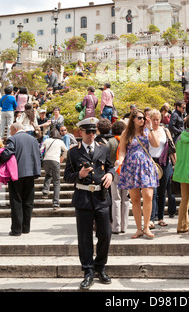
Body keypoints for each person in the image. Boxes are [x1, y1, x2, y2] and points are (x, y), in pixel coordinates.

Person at [64, 117, 114, 290]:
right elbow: (67, 176)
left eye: (94, 131)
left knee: (106, 234)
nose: (92, 134)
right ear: (80, 133)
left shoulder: (103, 149)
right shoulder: (73, 152)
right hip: (83, 198)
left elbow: (110, 167)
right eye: (88, 132)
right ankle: (88, 271)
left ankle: (100, 266)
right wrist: (80, 174)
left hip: (101, 198)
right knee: (85, 238)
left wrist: (110, 175)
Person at [116, 108, 160, 240]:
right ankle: (139, 229)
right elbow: (122, 150)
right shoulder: (126, 133)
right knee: (135, 199)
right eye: (139, 118)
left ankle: (146, 226)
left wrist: (150, 128)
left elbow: (156, 145)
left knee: (148, 196)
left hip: (146, 165)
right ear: (133, 119)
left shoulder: (147, 131)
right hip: (130, 166)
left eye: (143, 118)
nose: (142, 120)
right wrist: (120, 160)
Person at [0, 122, 41, 236]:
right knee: (28, 201)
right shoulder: (33, 140)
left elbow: (7, 153)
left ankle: (17, 230)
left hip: (16, 174)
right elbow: (39, 155)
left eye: (11, 130)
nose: (10, 132)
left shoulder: (13, 139)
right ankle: (26, 228)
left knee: (16, 201)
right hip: (31, 173)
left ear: (15, 129)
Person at [148, 109, 176, 229]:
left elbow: (171, 146)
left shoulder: (165, 130)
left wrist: (176, 163)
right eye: (153, 119)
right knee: (152, 192)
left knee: (162, 191)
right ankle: (151, 218)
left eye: (157, 119)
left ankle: (160, 217)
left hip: (164, 162)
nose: (155, 122)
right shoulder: (147, 131)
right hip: (151, 162)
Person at [108, 120, 129, 234]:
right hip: (126, 171)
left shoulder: (110, 142)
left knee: (116, 198)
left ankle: (116, 226)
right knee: (125, 199)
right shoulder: (127, 141)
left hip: (114, 170)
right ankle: (124, 226)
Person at [40, 128, 68, 210]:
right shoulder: (60, 142)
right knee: (56, 182)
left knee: (49, 174)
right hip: (55, 161)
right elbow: (67, 151)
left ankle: (45, 192)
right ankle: (56, 203)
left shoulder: (46, 140)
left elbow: (40, 150)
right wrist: (62, 157)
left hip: (45, 161)